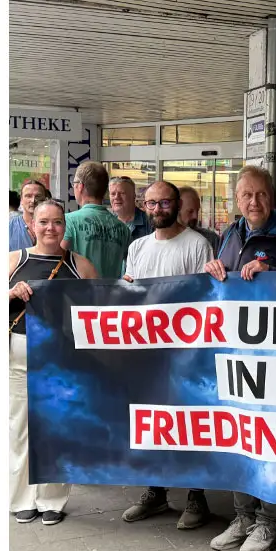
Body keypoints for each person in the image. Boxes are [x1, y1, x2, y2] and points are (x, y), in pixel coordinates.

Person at [201, 166, 276, 551]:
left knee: (269, 435)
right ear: (236, 199)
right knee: (238, 431)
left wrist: (274, 273)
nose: (254, 202)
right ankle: (242, 516)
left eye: (261, 194)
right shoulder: (231, 234)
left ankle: (269, 521)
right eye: (246, 195)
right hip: (237, 353)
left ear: (273, 196)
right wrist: (212, 272)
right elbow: (221, 284)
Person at [117, 181, 216, 530]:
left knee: (189, 424)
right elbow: (129, 296)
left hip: (185, 353)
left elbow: (203, 299)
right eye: (152, 203)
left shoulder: (197, 245)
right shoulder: (138, 247)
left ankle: (195, 495)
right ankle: (155, 489)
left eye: (164, 203)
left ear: (176, 205)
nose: (157, 209)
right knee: (152, 422)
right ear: (144, 206)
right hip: (146, 353)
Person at [10, 199, 99, 526]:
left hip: (63, 357)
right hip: (19, 352)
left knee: (57, 429)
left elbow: (99, 310)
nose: (50, 228)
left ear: (65, 226)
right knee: (19, 428)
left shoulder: (81, 265)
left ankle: (52, 499)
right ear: (31, 224)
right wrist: (10, 293)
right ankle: (22, 498)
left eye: (57, 222)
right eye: (44, 222)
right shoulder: (13, 261)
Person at [63, 160, 130, 279]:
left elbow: (54, 258)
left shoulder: (67, 221)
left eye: (74, 184)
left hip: (79, 294)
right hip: (111, 294)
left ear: (80, 186)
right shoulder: (123, 228)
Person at [9, 179, 49, 251]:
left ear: (45, 199)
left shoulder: (53, 226)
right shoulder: (9, 228)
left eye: (38, 196)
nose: (33, 200)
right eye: (28, 196)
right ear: (21, 200)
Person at [109, 176, 153, 240]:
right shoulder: (107, 222)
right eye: (113, 194)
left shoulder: (150, 223)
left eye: (122, 193)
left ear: (134, 196)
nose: (116, 197)